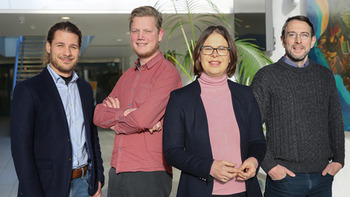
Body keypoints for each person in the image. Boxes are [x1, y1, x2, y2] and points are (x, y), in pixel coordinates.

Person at [163, 25, 266, 197]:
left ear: (230, 56)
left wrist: (254, 161)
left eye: (221, 49)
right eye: (208, 48)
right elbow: (172, 152)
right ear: (199, 55)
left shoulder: (246, 95)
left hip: (245, 191)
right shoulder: (180, 98)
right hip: (199, 191)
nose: (215, 54)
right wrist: (209, 167)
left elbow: (257, 141)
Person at [251, 15, 345, 197]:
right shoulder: (266, 77)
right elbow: (250, 126)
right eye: (292, 34)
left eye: (304, 35)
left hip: (322, 177)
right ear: (283, 40)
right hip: (284, 180)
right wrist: (269, 166)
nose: (298, 41)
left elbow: (335, 120)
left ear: (312, 41)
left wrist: (339, 160)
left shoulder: (325, 76)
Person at [93, 6, 182, 197]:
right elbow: (98, 115)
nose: (140, 36)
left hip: (149, 174)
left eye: (147, 31)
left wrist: (116, 123)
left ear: (159, 34)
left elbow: (142, 119)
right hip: (117, 169)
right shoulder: (126, 76)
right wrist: (123, 114)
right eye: (135, 31)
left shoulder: (168, 74)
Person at [11, 21, 104, 197]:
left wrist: (98, 178)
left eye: (73, 47)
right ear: (49, 46)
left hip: (85, 184)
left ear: (79, 49)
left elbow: (92, 136)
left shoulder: (85, 89)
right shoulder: (28, 90)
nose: (67, 53)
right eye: (60, 45)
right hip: (47, 188)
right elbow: (21, 150)